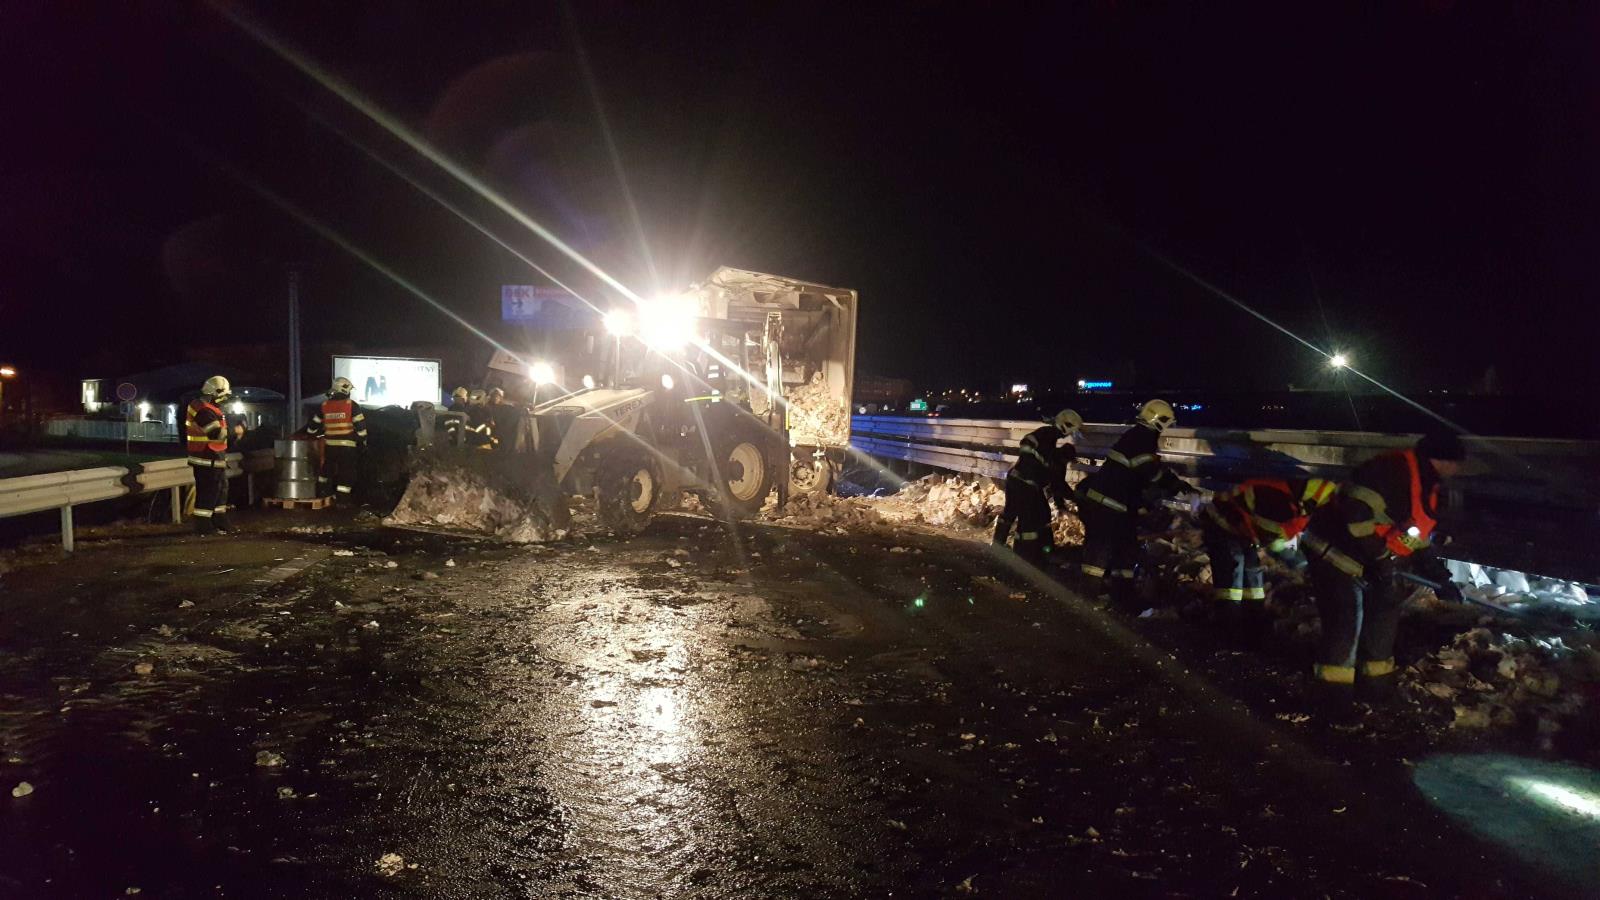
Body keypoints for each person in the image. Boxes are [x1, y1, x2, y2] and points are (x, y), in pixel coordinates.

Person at [1301, 432, 1467, 705]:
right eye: (1457, 464)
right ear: (1443, 460)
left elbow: (1416, 537)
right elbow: (1356, 516)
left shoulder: (1428, 487)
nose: (1458, 471)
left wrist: (1441, 579)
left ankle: (1375, 693)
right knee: (1346, 624)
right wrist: (1379, 559)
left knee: (1383, 620)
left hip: (1373, 560)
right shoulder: (1390, 471)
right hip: (1336, 554)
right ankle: (1334, 701)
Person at [1075, 399, 1188, 605]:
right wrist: (1175, 485)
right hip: (1108, 505)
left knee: (1125, 551)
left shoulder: (1137, 436)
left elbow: (1137, 476)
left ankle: (1123, 599)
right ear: (1159, 420)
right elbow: (1150, 472)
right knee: (1099, 554)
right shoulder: (1143, 439)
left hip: (1117, 505)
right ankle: (1087, 599)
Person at [1202, 476, 1337, 636]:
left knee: (1254, 585)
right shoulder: (1278, 501)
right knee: (1231, 582)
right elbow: (1270, 538)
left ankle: (1253, 629)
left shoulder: (1296, 501)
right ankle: (1228, 633)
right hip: (1223, 524)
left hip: (1245, 528)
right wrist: (1295, 562)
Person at [993, 409, 1082, 564]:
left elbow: (1055, 484)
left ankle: (998, 546)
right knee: (1031, 519)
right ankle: (1026, 554)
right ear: (1066, 426)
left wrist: (1061, 504)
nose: (1069, 434)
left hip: (1017, 480)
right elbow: (1058, 484)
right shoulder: (1048, 438)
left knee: (1012, 513)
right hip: (1025, 484)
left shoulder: (1049, 441)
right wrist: (1076, 499)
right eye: (1071, 431)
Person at [185, 376, 234, 534]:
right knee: (208, 492)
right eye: (223, 396)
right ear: (214, 393)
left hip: (214, 458)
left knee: (220, 490)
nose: (224, 399)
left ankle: (219, 519)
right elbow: (215, 433)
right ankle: (203, 525)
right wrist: (235, 430)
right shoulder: (203, 410)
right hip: (206, 458)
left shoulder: (209, 408)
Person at [306, 377, 368, 500]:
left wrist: (314, 434)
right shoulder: (351, 405)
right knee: (346, 473)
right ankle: (342, 500)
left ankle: (321, 493)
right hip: (347, 447)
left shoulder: (324, 405)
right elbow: (361, 430)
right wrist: (361, 442)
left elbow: (312, 428)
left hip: (330, 446)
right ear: (345, 389)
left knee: (327, 469)